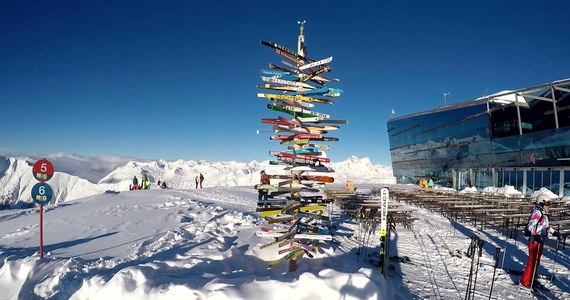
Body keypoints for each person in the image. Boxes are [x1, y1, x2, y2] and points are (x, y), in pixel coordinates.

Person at [520, 194, 561, 288]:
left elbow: (545, 227)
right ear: (541, 203)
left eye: (549, 203)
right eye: (547, 203)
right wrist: (536, 235)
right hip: (534, 241)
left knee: (536, 261)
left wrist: (554, 232)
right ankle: (525, 281)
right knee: (532, 261)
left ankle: (532, 278)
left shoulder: (543, 213)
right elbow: (530, 227)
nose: (548, 206)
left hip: (540, 240)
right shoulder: (537, 213)